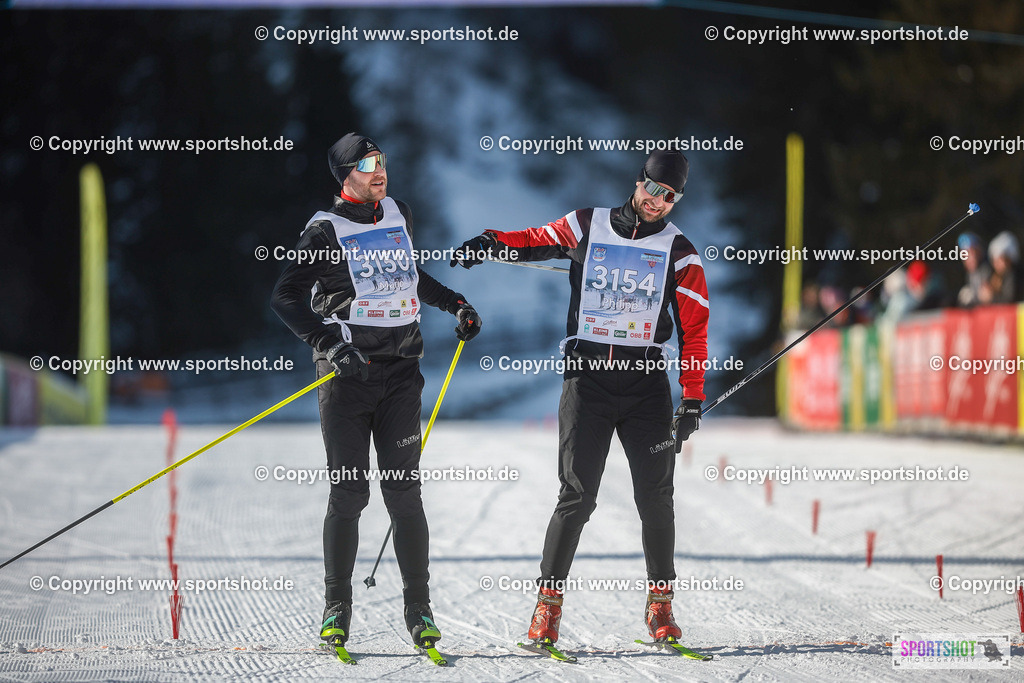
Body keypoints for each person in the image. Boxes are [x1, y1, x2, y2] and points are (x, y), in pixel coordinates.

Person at [451, 150, 709, 648]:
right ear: (638, 183)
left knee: (655, 497)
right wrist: (489, 242)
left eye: (669, 196)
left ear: (677, 201)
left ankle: (661, 607)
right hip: (586, 381)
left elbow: (695, 330)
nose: (657, 202)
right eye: (653, 189)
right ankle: (547, 609)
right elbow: (534, 241)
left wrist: (692, 398)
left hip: (645, 386)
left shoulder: (682, 254)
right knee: (577, 496)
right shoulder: (587, 223)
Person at [270, 133, 481, 653]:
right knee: (349, 493)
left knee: (403, 492)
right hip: (346, 376)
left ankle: (420, 611)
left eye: (382, 159)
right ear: (345, 174)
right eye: (366, 163)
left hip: (402, 373)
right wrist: (327, 344)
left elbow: (407, 277)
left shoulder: (398, 213)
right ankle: (336, 610)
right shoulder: (326, 229)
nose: (378, 168)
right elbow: (284, 297)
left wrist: (455, 302)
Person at [979, 230, 1020, 305]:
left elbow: (1009, 301)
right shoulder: (993, 275)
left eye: (999, 259)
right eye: (994, 259)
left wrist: (992, 298)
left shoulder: (1015, 276)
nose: (996, 263)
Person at [956, 232, 991, 308]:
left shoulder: (988, 269)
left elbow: (986, 297)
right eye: (964, 253)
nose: (970, 257)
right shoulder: (970, 273)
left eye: (972, 251)